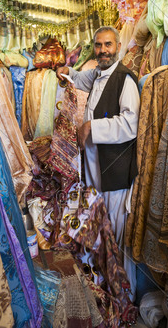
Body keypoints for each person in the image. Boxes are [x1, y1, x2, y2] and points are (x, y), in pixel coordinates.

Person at [56, 26, 140, 299]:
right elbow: (79, 77)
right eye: (98, 45)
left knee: (115, 235)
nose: (103, 50)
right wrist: (65, 73)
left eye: (108, 45)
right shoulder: (96, 74)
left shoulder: (125, 79)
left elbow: (131, 124)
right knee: (100, 231)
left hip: (114, 173)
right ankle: (105, 289)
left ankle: (124, 297)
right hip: (94, 170)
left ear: (118, 46)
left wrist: (92, 127)